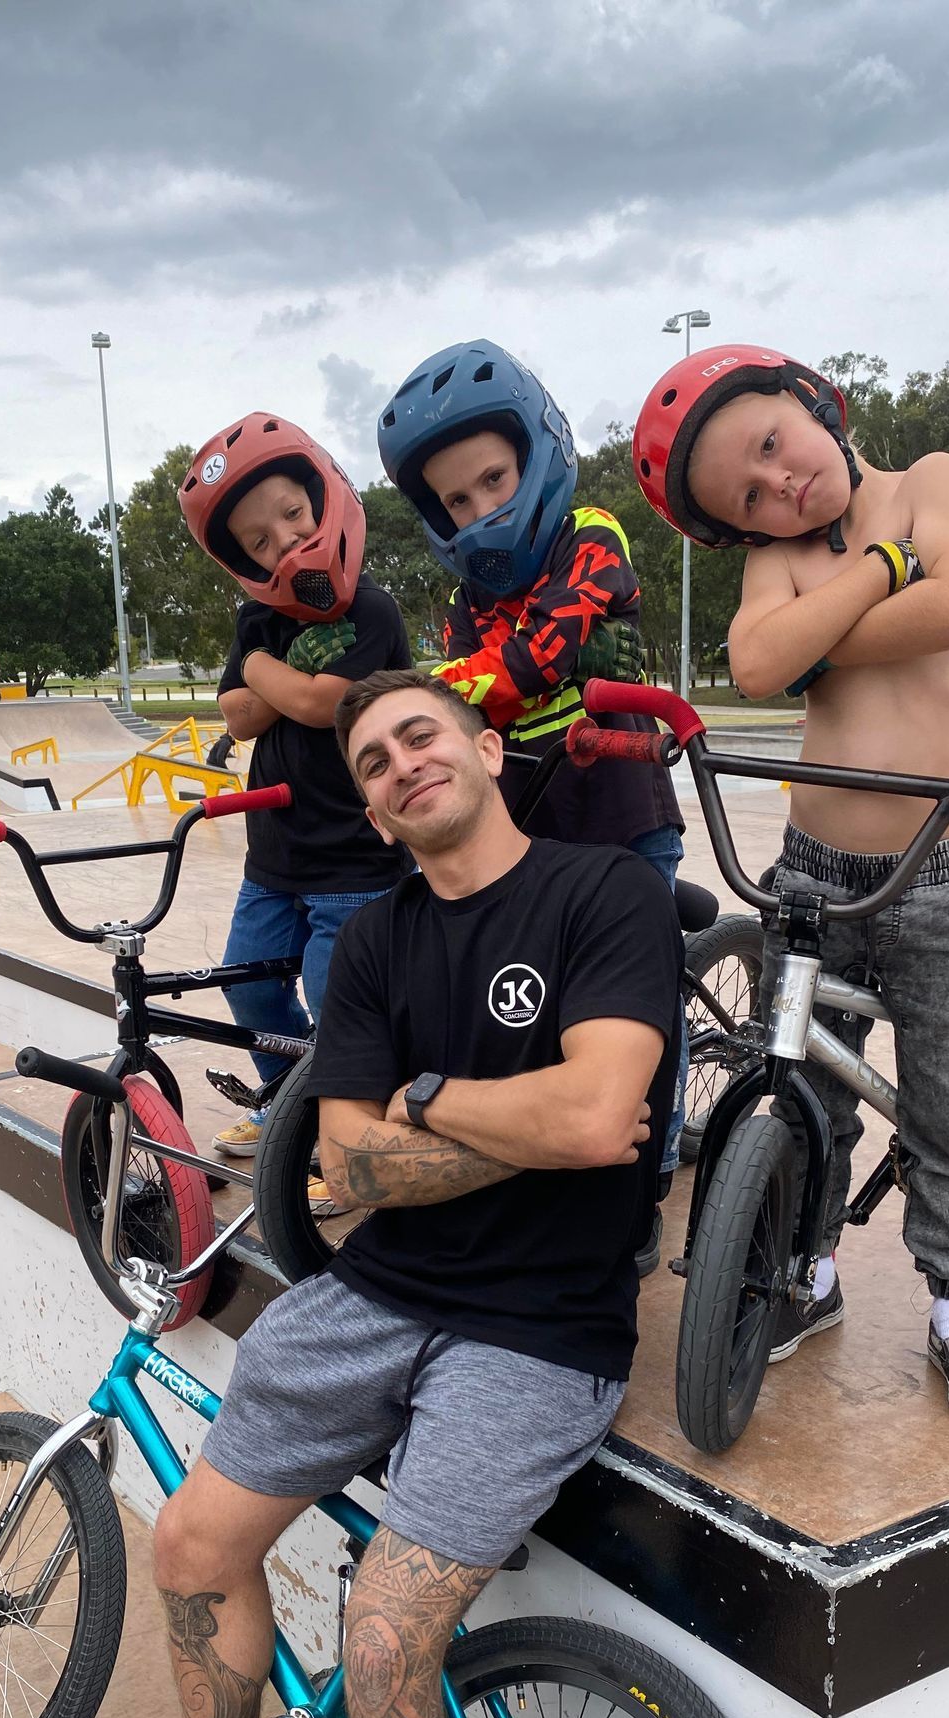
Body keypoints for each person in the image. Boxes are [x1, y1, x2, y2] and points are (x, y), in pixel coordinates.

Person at [50, 669, 682, 1718]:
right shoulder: (379, 945)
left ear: (486, 748)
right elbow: (347, 1164)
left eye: (420, 738)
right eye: (375, 763)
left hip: (538, 1333)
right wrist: (505, 1123)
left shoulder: (601, 897)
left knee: (386, 1636)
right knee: (189, 1551)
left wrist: (435, 1100)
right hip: (372, 1300)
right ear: (376, 818)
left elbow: (597, 1119)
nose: (400, 766)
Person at [634, 342, 949, 1428]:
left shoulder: (930, 482)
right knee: (803, 1087)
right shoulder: (788, 553)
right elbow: (756, 665)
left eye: (769, 446)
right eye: (748, 501)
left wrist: (826, 633)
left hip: (937, 871)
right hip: (809, 873)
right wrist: (884, 573)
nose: (779, 487)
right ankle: (809, 1270)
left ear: (810, 402)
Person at [377, 339, 687, 1267]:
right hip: (528, 812)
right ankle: (529, 1147)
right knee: (523, 996)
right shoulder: (472, 595)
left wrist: (459, 685)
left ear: (538, 453)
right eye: (458, 501)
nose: (481, 511)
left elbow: (534, 658)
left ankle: (652, 1167)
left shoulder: (594, 533)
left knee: (635, 1007)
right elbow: (462, 703)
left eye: (493, 481)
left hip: (619, 799)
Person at [177, 412, 412, 1169]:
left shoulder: (369, 610)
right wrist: (274, 677)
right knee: (248, 987)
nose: (282, 542)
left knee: (338, 1003)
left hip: (354, 858)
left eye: (292, 516)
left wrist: (261, 669)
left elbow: (323, 705)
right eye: (258, 541)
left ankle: (345, 1137)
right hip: (274, 858)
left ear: (323, 499)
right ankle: (291, 1102)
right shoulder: (256, 615)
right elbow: (238, 715)